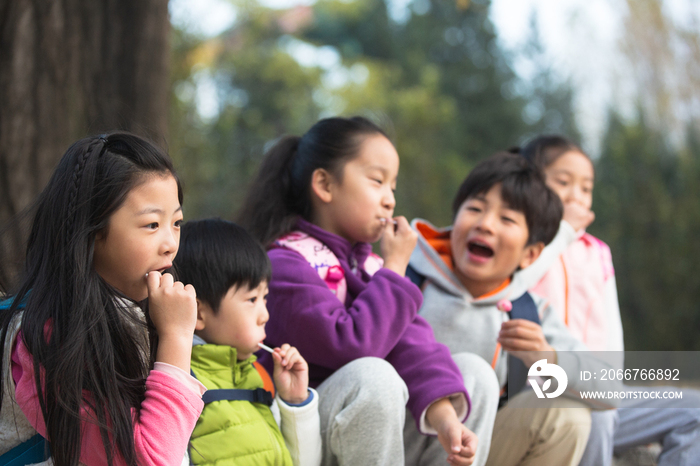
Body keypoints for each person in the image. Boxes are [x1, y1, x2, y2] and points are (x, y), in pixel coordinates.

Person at [238, 116, 499, 466]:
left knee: (474, 374)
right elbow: (352, 345)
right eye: (377, 181)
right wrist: (394, 270)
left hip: (367, 436)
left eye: (393, 186)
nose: (390, 200)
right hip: (301, 437)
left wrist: (447, 420)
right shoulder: (285, 263)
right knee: (372, 376)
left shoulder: (370, 266)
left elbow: (414, 346)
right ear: (325, 185)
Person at [0, 133, 204, 465]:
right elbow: (146, 459)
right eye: (151, 224)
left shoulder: (137, 313)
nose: (170, 243)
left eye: (177, 223)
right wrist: (177, 339)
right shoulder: (48, 333)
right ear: (93, 231)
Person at [409, 152, 622, 466]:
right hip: (395, 449)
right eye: (475, 208)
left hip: (475, 455)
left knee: (568, 415)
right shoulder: (403, 279)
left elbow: (609, 389)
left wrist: (549, 359)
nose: (485, 224)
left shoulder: (525, 311)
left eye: (507, 219)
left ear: (531, 254)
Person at [520, 135, 700, 466]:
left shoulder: (597, 252)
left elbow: (611, 330)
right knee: (596, 414)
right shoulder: (524, 244)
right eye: (563, 182)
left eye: (586, 188)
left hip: (600, 387)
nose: (577, 195)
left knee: (694, 409)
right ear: (531, 185)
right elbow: (517, 286)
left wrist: (608, 386)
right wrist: (560, 233)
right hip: (540, 391)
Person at [172, 218, 322, 466]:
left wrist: (295, 402)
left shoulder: (260, 378)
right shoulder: (181, 384)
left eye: (265, 297)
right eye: (252, 299)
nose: (265, 315)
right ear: (198, 313)